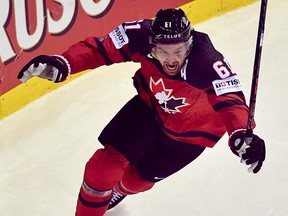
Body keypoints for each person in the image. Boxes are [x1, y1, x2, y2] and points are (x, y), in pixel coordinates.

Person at [17, 8, 266, 216]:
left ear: (189, 44)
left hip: (192, 134)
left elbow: (231, 102)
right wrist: (64, 63)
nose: (170, 60)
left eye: (178, 51)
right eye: (162, 51)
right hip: (151, 110)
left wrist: (242, 135)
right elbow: (99, 50)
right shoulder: (138, 35)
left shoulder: (207, 61)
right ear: (151, 44)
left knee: (135, 181)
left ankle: (119, 191)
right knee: (101, 168)